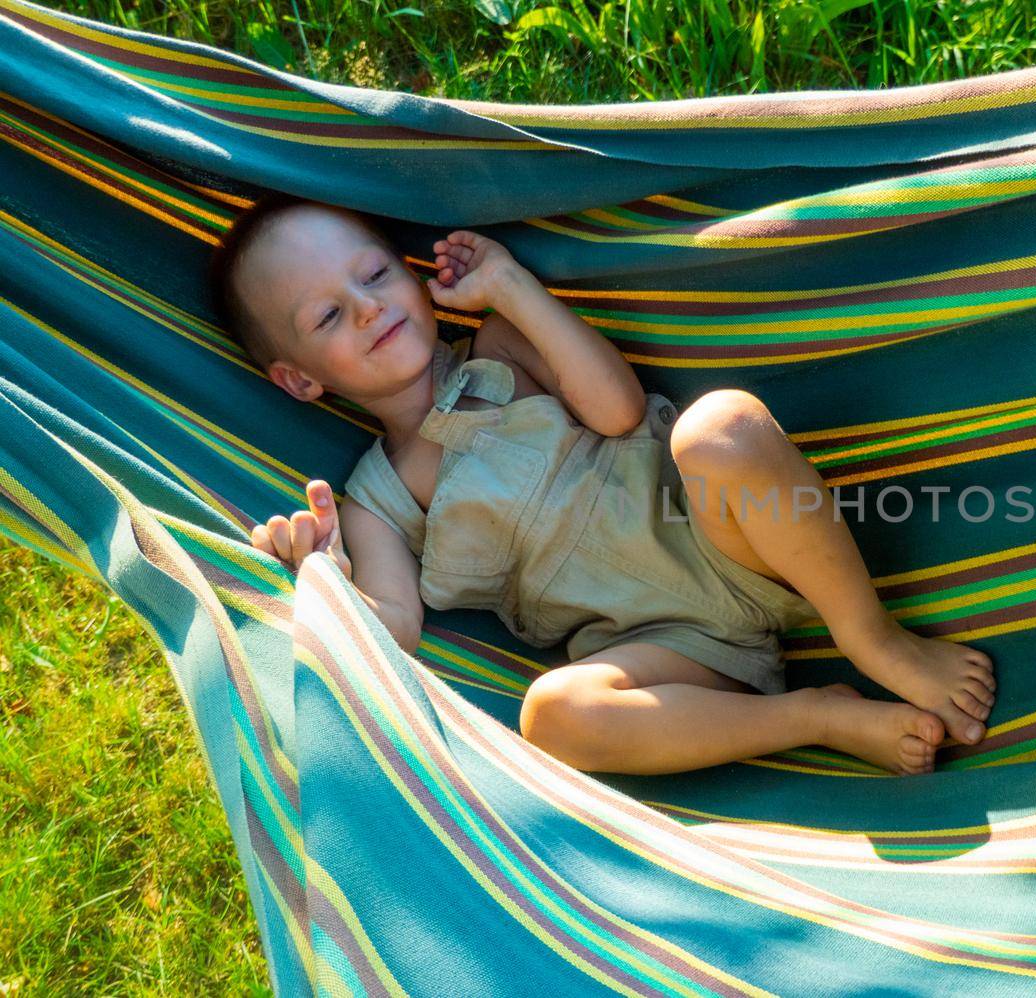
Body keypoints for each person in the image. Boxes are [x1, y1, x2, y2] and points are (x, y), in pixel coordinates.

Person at [215, 194, 995, 776]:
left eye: (376, 274)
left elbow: (618, 411)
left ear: (413, 276)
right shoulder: (374, 502)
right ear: (299, 381)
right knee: (552, 714)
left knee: (719, 425)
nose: (368, 308)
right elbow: (395, 634)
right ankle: (811, 717)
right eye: (327, 316)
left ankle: (871, 636)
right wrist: (321, 575)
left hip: (722, 533)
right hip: (665, 648)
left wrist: (511, 287)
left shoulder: (499, 348)